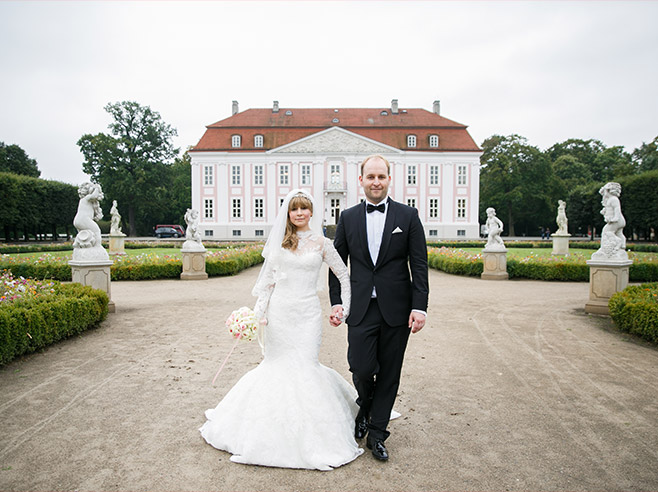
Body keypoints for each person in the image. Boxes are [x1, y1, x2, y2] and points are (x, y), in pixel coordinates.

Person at [199, 189, 362, 471]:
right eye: (294, 209)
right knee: (276, 366)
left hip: (308, 314)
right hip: (280, 314)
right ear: (288, 214)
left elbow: (344, 276)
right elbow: (268, 284)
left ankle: (315, 436)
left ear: (312, 212)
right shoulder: (280, 243)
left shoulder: (323, 243)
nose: (299, 213)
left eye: (304, 208)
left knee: (307, 366)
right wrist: (255, 315)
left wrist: (343, 308)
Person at [328, 155, 429, 462]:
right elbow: (336, 266)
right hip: (359, 307)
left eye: (381, 177)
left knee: (389, 373)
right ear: (361, 180)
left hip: (397, 308)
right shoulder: (348, 217)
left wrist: (419, 307)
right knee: (360, 366)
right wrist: (336, 302)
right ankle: (365, 404)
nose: (375, 182)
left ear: (389, 179)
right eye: (370, 176)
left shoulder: (408, 216)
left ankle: (377, 433)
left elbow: (419, 264)